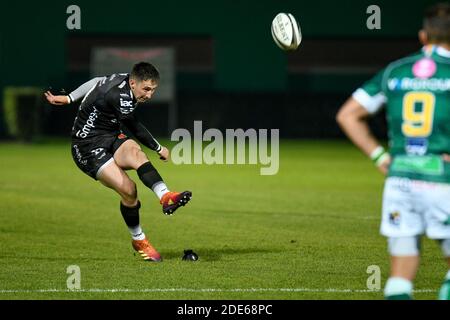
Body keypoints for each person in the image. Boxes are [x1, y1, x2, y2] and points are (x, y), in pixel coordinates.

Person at [336, 3, 450, 300]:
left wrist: (379, 156)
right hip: (443, 179)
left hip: (400, 180)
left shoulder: (394, 71)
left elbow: (348, 115)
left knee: (399, 280)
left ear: (423, 36)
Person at [44, 62, 192, 263]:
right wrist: (159, 148)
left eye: (153, 90)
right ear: (133, 83)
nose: (149, 95)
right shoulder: (119, 96)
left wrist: (70, 97)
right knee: (129, 191)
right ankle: (139, 239)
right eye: (146, 89)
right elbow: (134, 126)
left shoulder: (124, 78)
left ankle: (166, 196)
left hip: (110, 135)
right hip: (87, 147)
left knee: (136, 153)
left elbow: (97, 82)